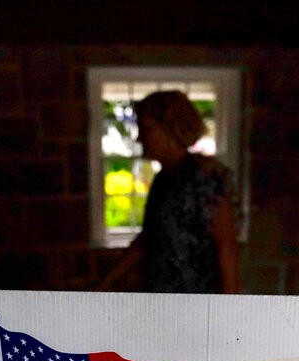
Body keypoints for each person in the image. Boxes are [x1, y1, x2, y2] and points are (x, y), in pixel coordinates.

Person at [97, 90, 240, 294]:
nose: (140, 138)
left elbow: (227, 250)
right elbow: (149, 239)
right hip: (162, 302)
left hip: (197, 304)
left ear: (172, 129)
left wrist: (230, 312)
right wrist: (107, 280)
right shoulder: (164, 180)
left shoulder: (207, 178)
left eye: (147, 129)